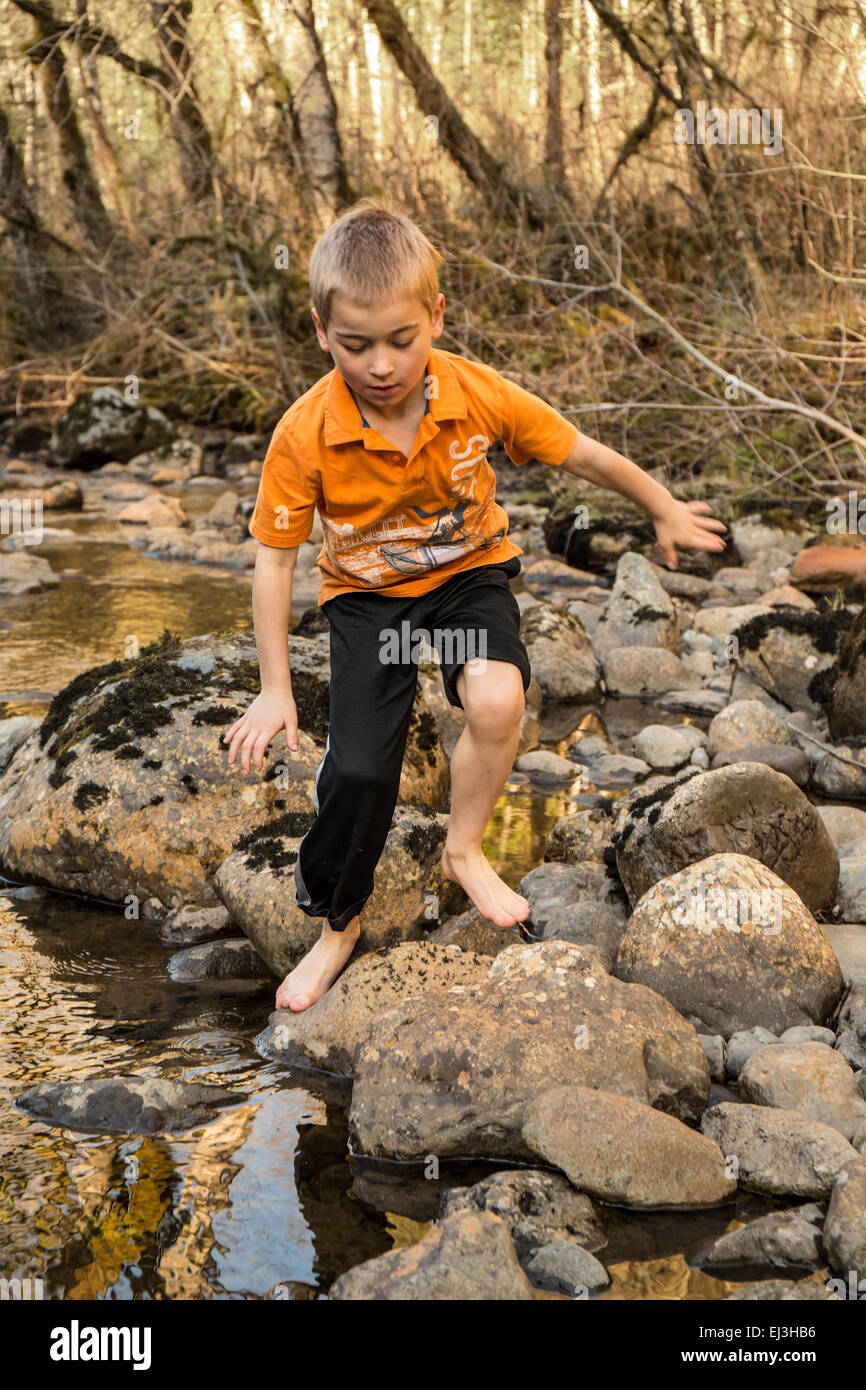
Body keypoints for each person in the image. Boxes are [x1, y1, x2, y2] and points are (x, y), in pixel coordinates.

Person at [223, 199, 727, 1013]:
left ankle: (463, 849)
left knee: (496, 697)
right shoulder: (304, 433)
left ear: (436, 318)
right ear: (321, 331)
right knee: (358, 771)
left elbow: (583, 453)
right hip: (369, 604)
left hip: (467, 580)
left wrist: (662, 505)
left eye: (402, 339)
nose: (382, 364)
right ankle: (337, 927)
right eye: (355, 346)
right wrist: (276, 687)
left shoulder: (475, 394)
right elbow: (274, 562)